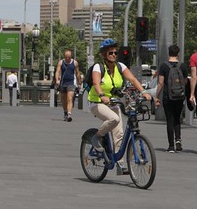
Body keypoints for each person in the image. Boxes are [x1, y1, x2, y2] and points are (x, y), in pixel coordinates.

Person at [88, 38, 151, 174]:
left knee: (119, 134)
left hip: (114, 103)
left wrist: (144, 92)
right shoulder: (99, 67)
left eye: (116, 53)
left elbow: (133, 79)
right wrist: (101, 95)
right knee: (114, 119)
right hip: (97, 102)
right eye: (111, 53)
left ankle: (120, 163)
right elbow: (96, 83)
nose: (114, 55)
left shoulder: (120, 66)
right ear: (104, 54)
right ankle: (97, 137)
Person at [155, 45, 188, 153]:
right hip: (179, 96)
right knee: (177, 119)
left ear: (169, 53)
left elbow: (160, 83)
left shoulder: (164, 66)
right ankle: (178, 139)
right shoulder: (182, 66)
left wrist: (156, 96)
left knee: (170, 120)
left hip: (167, 96)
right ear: (178, 53)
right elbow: (185, 81)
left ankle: (171, 146)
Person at [55, 49, 82, 122]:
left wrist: (79, 82)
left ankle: (69, 114)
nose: (67, 59)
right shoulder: (61, 62)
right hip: (63, 83)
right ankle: (65, 113)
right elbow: (57, 71)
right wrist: (57, 79)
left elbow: (77, 73)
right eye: (66, 57)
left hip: (71, 83)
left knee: (69, 98)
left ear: (71, 57)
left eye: (69, 57)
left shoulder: (75, 63)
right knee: (64, 100)